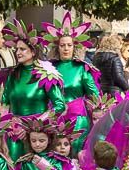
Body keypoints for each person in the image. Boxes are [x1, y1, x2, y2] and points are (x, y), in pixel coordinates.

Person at [0, 20, 68, 159]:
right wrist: (8, 124)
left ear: (33, 51)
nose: (18, 52)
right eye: (16, 49)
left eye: (22, 49)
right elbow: (4, 103)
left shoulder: (46, 74)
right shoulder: (12, 74)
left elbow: (59, 105)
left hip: (37, 136)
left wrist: (33, 125)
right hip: (14, 133)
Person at [43, 13, 102, 154]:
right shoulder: (48, 68)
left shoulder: (82, 68)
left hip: (78, 119)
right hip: (54, 118)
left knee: (75, 155)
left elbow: (95, 96)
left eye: (69, 45)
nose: (66, 48)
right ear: (57, 48)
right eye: (62, 45)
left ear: (74, 47)